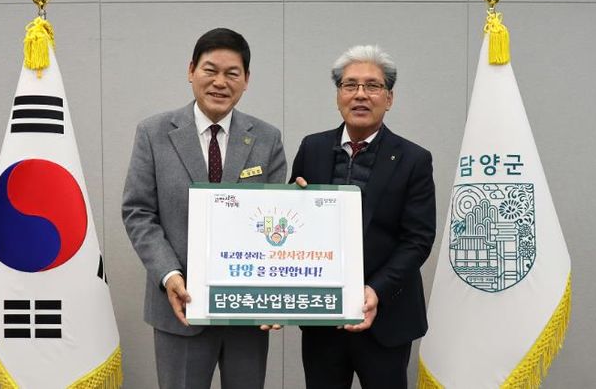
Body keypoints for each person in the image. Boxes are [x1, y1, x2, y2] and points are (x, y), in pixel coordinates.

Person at [122, 28, 287, 389]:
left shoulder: (267, 138)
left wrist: (301, 206)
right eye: (210, 70)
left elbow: (275, 219)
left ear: (246, 80)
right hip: (179, 308)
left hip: (246, 311)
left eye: (232, 73)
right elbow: (138, 211)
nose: (220, 82)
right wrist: (169, 274)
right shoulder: (153, 132)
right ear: (191, 70)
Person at [290, 45, 436, 389]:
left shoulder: (414, 159)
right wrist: (294, 205)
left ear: (389, 98)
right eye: (350, 85)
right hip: (323, 315)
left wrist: (375, 290)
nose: (360, 94)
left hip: (387, 315)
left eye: (372, 86)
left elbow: (417, 240)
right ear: (338, 95)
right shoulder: (312, 147)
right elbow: (292, 225)